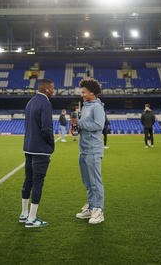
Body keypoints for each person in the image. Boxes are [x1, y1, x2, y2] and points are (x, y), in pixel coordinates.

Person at [20, 79, 55, 228]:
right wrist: (51, 144)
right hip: (39, 148)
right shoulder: (45, 103)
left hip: (28, 147)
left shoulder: (30, 102)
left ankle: (24, 213)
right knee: (38, 182)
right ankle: (32, 218)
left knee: (28, 179)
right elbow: (46, 128)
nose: (54, 91)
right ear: (46, 89)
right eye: (52, 88)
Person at [74, 78, 106, 224]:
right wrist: (77, 127)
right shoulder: (85, 106)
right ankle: (91, 207)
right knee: (87, 182)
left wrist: (80, 123)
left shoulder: (97, 107)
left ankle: (99, 210)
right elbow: (87, 125)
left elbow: (99, 125)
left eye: (84, 92)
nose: (82, 95)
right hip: (84, 149)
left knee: (95, 182)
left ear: (92, 93)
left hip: (93, 149)